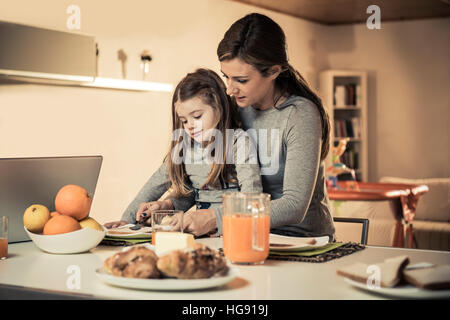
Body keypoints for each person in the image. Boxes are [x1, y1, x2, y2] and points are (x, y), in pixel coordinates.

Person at [172, 13, 335, 239]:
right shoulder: (232, 108)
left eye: (241, 80)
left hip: (301, 242)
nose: (229, 89)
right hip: (246, 236)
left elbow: (294, 206)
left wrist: (215, 218)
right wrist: (167, 206)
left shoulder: (300, 114)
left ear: (273, 71)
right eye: (226, 77)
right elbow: (205, 180)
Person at [104, 68, 262, 236]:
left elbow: (252, 198)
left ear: (219, 107)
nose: (190, 126)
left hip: (237, 235)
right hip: (203, 239)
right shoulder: (184, 149)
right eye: (184, 120)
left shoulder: (238, 142)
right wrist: (127, 222)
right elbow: (153, 187)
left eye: (197, 116)